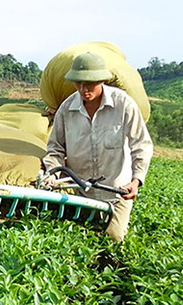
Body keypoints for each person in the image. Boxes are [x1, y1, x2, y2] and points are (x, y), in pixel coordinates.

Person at [42, 52, 153, 242]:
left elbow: (141, 145)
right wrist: (52, 173)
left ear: (101, 80)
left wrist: (136, 181)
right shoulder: (66, 109)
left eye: (90, 83)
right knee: (80, 240)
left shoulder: (123, 105)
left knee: (114, 236)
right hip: (81, 192)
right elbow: (55, 148)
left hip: (117, 192)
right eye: (79, 83)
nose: (84, 89)